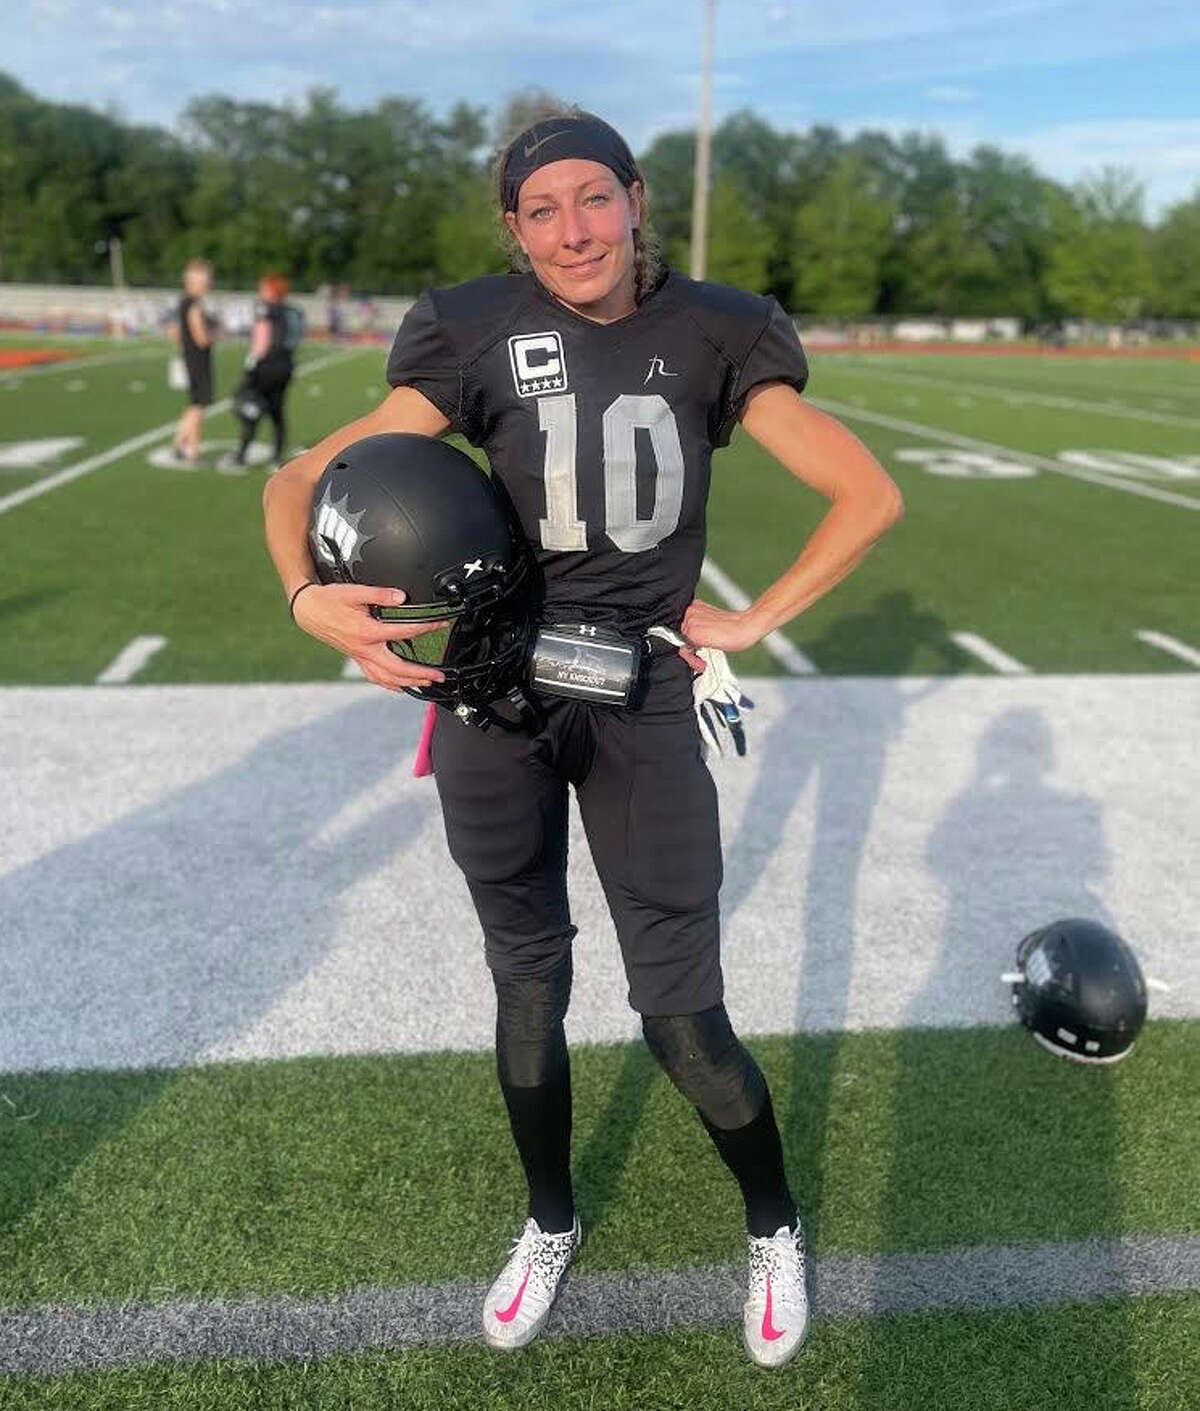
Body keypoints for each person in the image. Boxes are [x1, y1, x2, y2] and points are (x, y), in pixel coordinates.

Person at [263, 109, 903, 1369]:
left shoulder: (719, 326)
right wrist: (306, 597)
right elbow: (295, 482)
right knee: (527, 978)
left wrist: (760, 612)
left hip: (644, 691)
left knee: (679, 1011)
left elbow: (869, 492)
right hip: (495, 691)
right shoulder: (469, 328)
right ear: (514, 226)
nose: (574, 229)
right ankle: (549, 1216)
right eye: (542, 208)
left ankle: (771, 1223)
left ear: (635, 196)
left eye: (593, 198)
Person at [229, 274, 304, 470]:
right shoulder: (293, 311)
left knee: (250, 408)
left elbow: (262, 342)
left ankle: (241, 455)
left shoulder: (265, 310)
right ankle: (277, 456)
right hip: (285, 365)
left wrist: (250, 365)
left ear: (271, 290)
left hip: (266, 366)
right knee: (277, 412)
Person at [170, 258, 217, 464]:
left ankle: (179, 444)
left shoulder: (183, 301)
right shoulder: (195, 305)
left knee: (193, 405)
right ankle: (193, 452)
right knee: (199, 407)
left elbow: (174, 333)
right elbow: (201, 338)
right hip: (198, 360)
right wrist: (214, 335)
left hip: (189, 358)